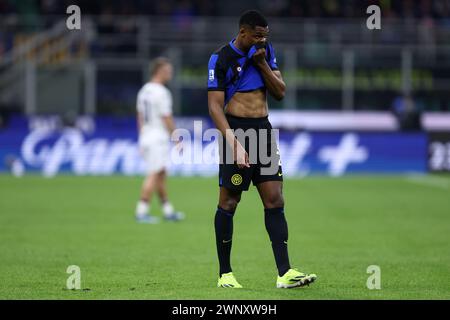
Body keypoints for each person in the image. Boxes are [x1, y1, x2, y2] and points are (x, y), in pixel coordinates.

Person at [207, 10, 317, 288]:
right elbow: (214, 107)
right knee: (229, 202)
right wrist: (235, 145)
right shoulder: (220, 58)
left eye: (265, 37)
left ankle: (285, 273)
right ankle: (225, 274)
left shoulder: (265, 52)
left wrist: (262, 64)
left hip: (263, 131)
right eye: (257, 36)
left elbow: (280, 92)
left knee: (275, 199)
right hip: (236, 131)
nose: (261, 41)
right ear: (242, 32)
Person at [135, 57, 184, 223]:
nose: (170, 74)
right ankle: (141, 211)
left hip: (147, 135)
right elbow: (166, 117)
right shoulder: (162, 92)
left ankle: (167, 210)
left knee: (161, 173)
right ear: (159, 71)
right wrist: (176, 136)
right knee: (154, 174)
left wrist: (141, 136)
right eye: (168, 71)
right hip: (157, 137)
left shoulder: (144, 90)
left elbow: (140, 117)